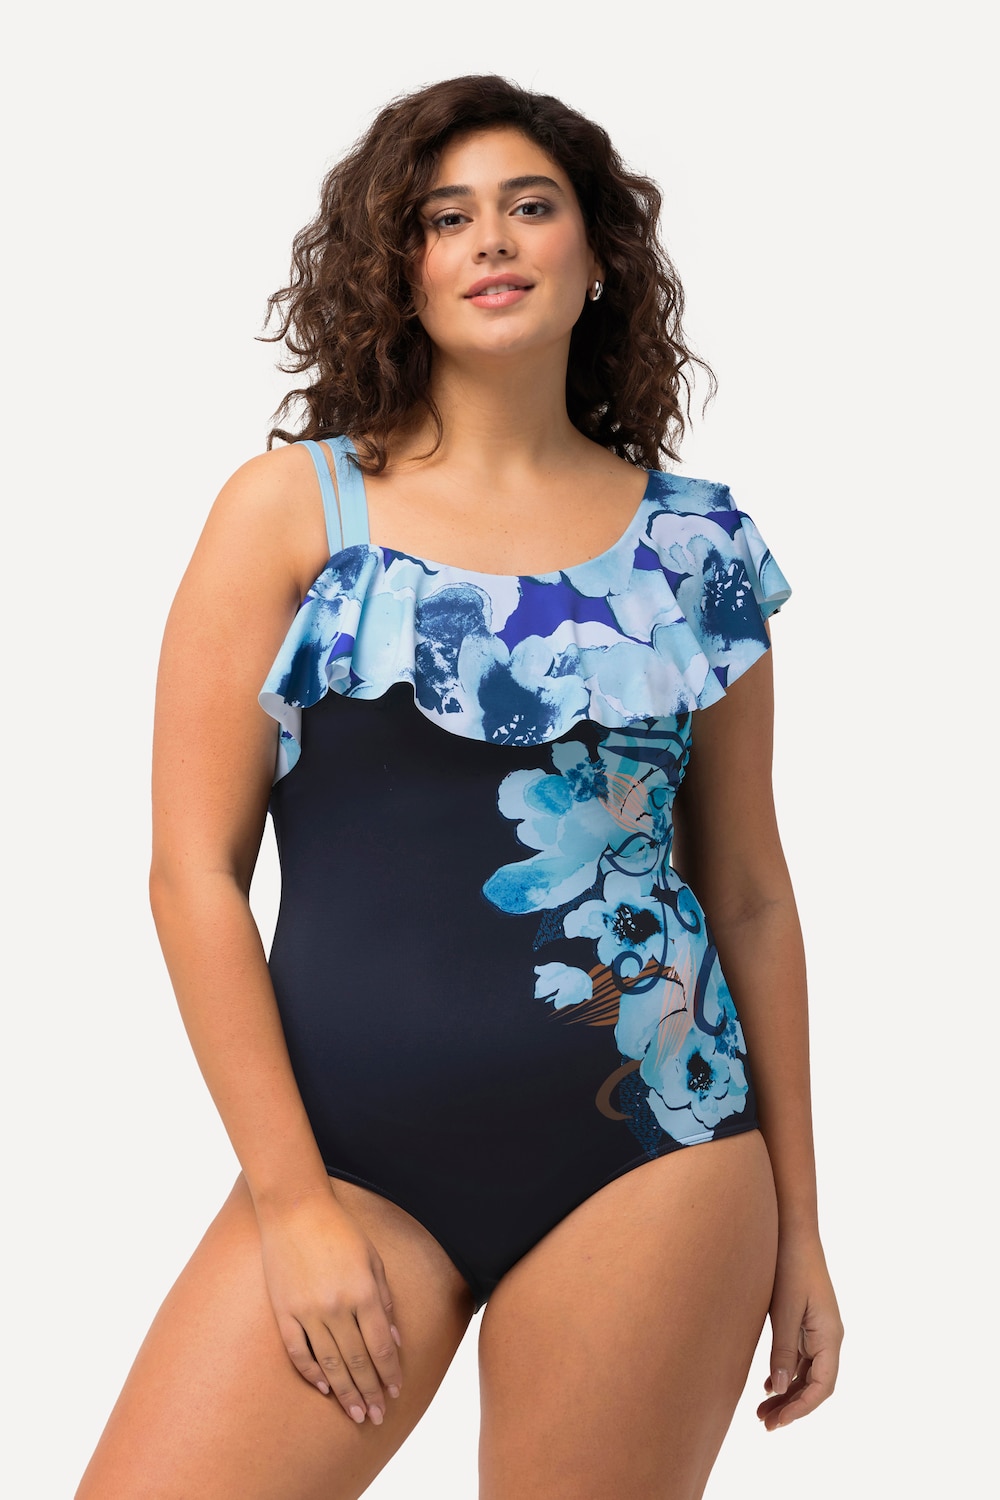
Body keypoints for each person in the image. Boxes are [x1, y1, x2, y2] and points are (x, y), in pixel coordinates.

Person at [76, 74, 843, 1500]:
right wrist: (290, 1203)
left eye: (529, 206)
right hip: (350, 1169)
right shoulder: (292, 513)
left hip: (658, 1158)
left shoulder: (697, 548)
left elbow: (746, 890)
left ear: (596, 253)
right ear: (401, 269)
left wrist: (802, 1228)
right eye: (446, 218)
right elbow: (192, 873)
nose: (491, 239)